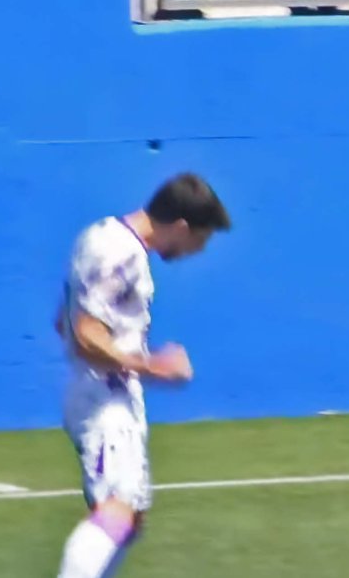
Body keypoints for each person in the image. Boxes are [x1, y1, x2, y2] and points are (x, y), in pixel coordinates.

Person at [54, 172, 232, 578]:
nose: (195, 252)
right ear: (182, 227)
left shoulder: (99, 237)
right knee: (116, 511)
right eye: (198, 241)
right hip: (104, 399)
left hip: (102, 392)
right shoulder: (120, 252)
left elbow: (63, 323)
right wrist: (152, 365)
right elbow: (85, 334)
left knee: (129, 519)